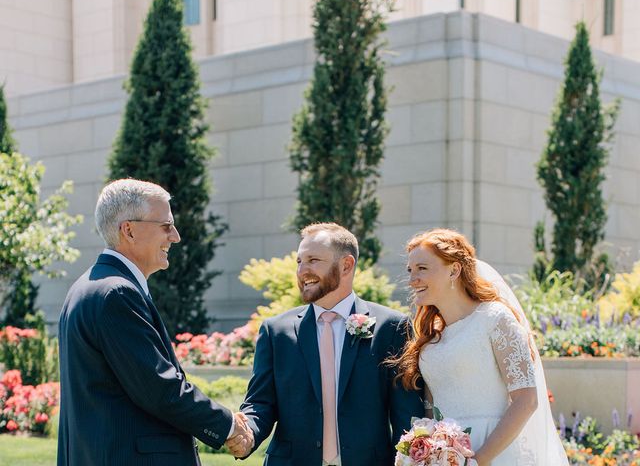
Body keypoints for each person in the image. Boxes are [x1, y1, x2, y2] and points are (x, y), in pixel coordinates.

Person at [57, 178, 253, 466]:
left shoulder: (89, 287)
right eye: (165, 226)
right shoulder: (116, 293)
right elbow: (159, 390)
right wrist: (228, 426)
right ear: (129, 230)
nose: (175, 236)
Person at [229, 223, 424, 465]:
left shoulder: (391, 327)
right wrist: (247, 434)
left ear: (346, 265)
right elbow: (260, 403)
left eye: (313, 260)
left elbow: (406, 414)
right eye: (299, 262)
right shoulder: (275, 331)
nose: (302, 271)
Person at [393, 228, 568, 465]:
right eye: (410, 270)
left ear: (454, 270)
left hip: (493, 453)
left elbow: (527, 400)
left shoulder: (495, 318)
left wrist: (478, 460)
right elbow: (430, 410)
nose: (413, 280)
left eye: (422, 269)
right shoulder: (431, 335)